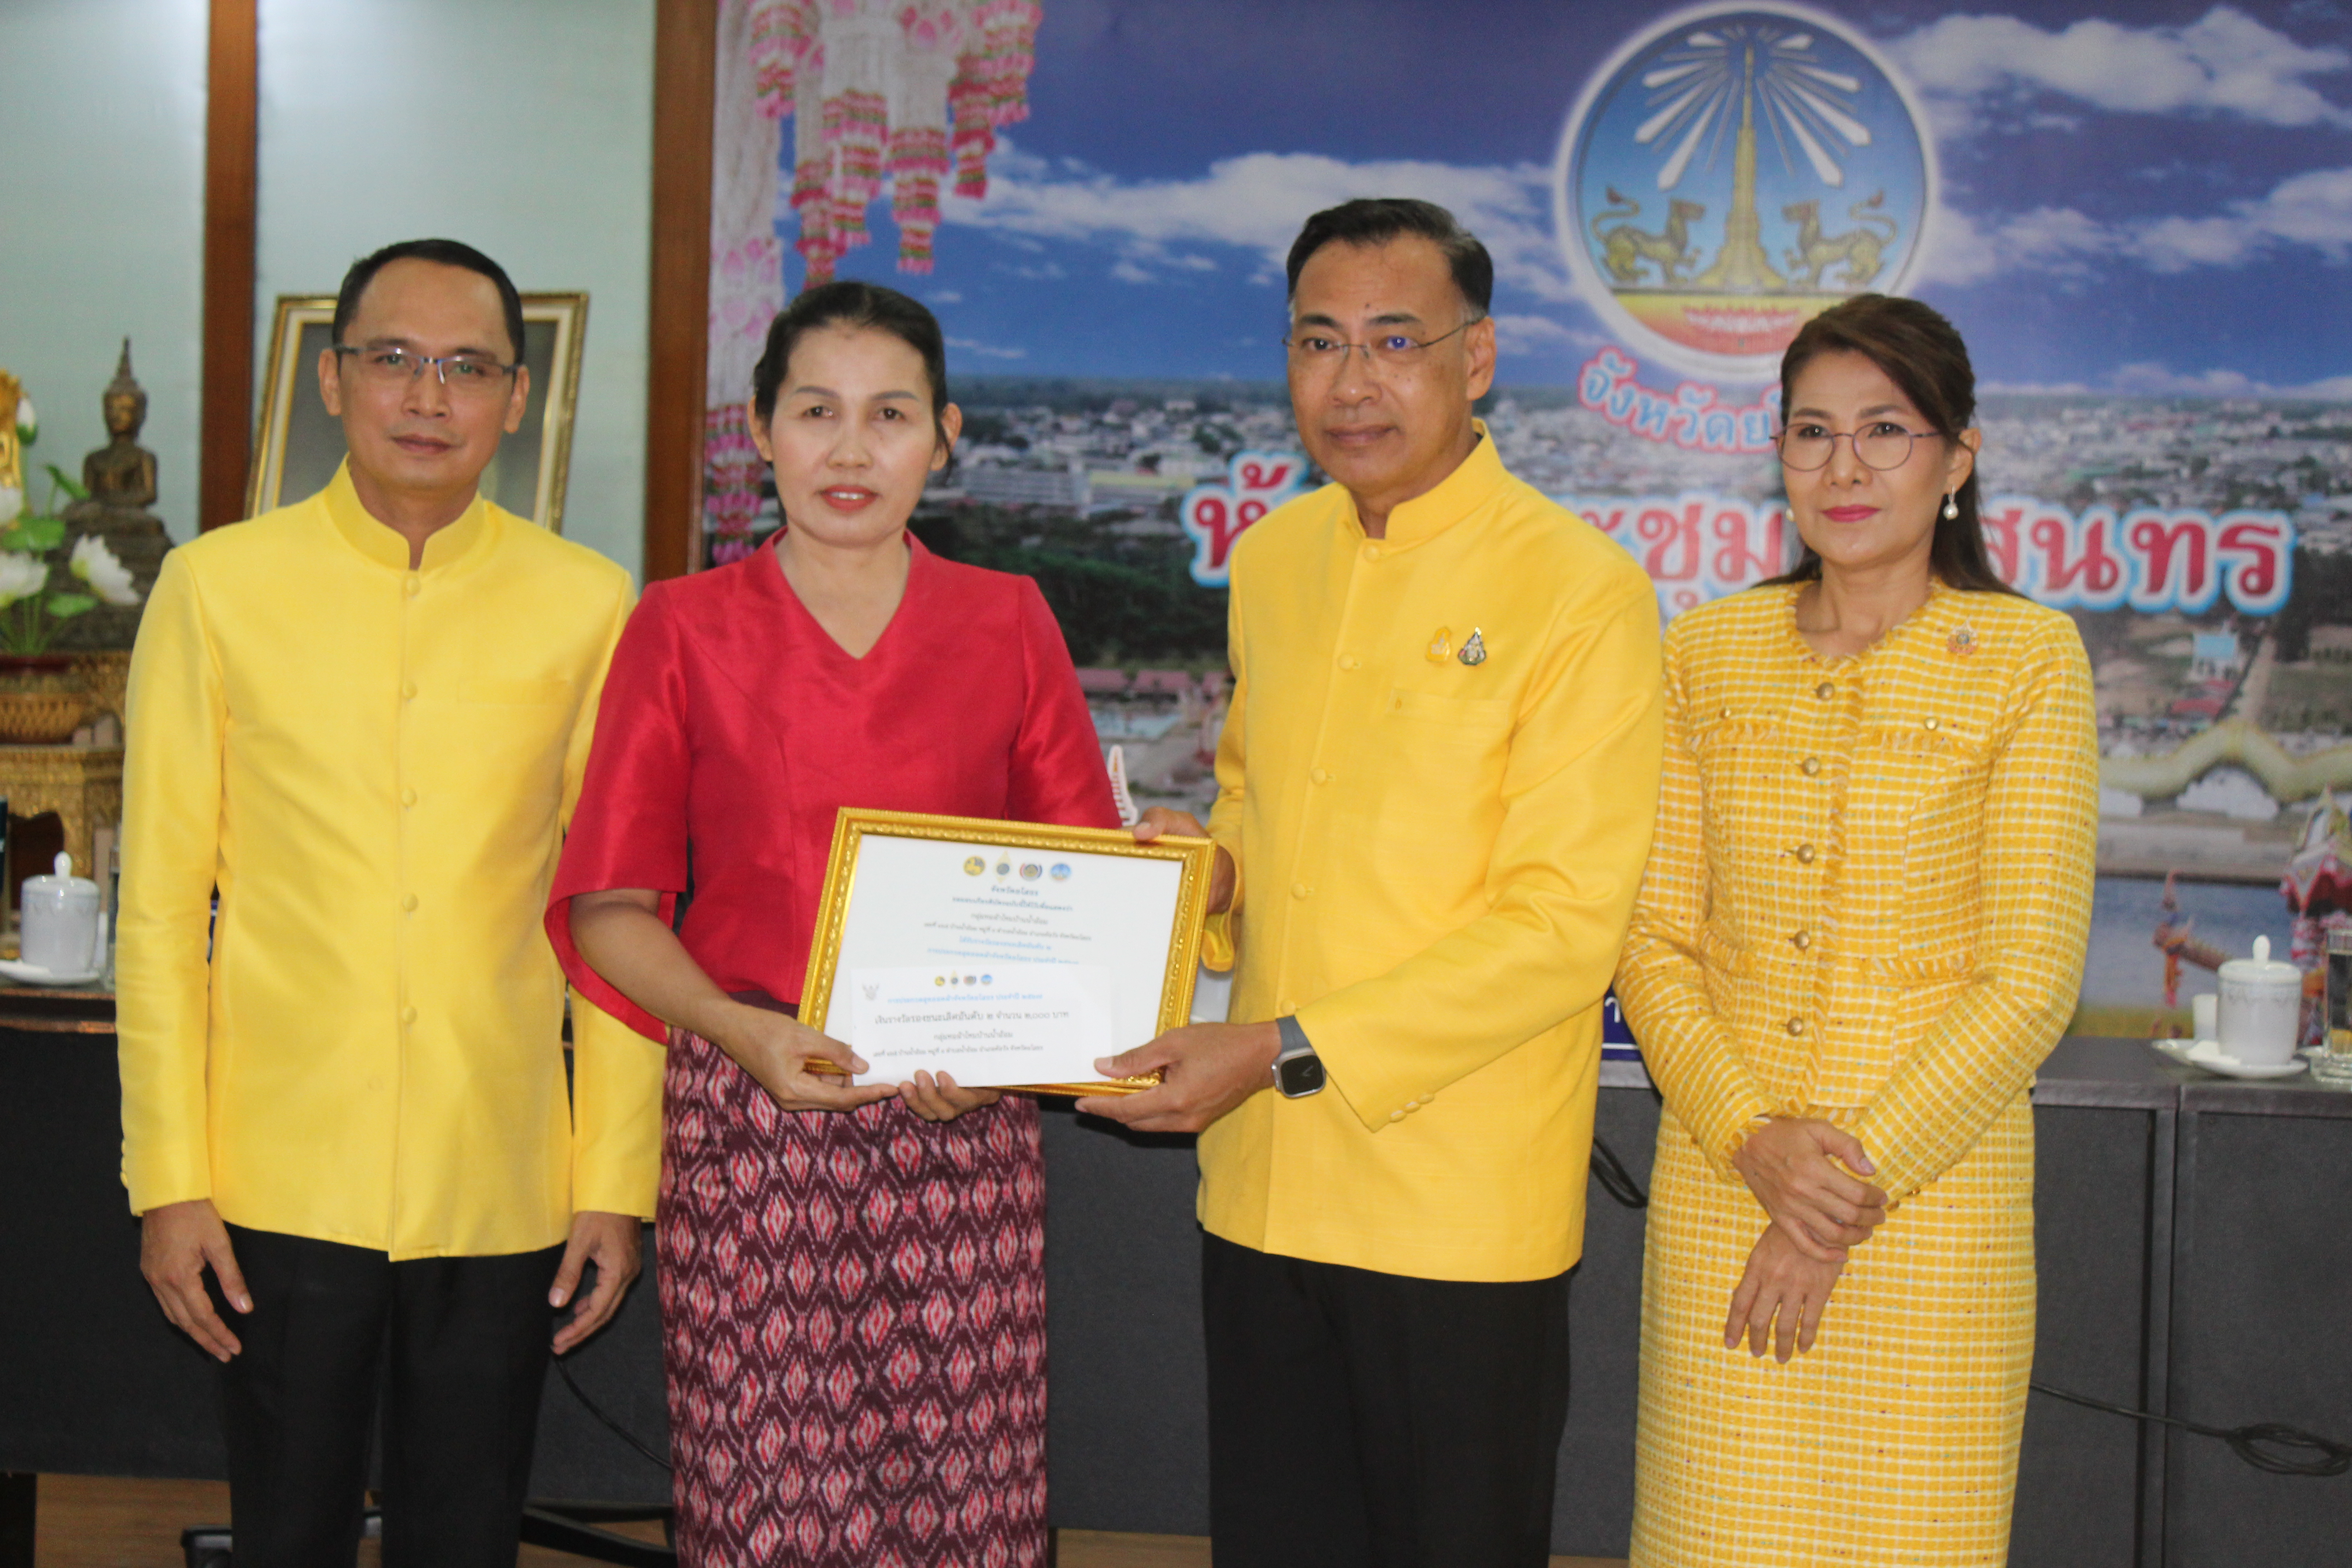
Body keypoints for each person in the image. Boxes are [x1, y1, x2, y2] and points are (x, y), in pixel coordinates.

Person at [1081, 199, 1666, 1566]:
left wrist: (1277, 1047)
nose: (1353, 383)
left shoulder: (1579, 589)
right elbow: (1260, 812)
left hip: (1453, 1204)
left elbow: (1563, 930)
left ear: (1478, 359)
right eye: (1320, 343)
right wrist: (1204, 874)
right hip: (1269, 1181)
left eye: (1396, 341)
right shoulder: (1277, 559)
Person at [549, 279, 1118, 1568]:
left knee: (963, 1515)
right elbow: (612, 909)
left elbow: (1085, 890)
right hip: (752, 1125)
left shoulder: (1008, 622)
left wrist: (997, 1058)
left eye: (890, 414)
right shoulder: (681, 628)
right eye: (816, 411)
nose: (851, 451)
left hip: (960, 1130)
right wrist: (732, 1033)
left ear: (946, 434)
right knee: (769, 1516)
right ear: (760, 427)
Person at [117, 238, 659, 1568]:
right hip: (277, 1170)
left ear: (516, 401)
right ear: (331, 377)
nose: (429, 397)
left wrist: (616, 1179)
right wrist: (168, 1183)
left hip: (503, 1170)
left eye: (468, 367)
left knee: (464, 1537)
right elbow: (160, 907)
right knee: (286, 1533)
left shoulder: (590, 606)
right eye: (395, 360)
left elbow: (621, 908)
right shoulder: (217, 589)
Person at [1612, 293, 2099, 1565]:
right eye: (1812, 432)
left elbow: (2032, 979)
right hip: (1725, 1188)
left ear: (1959, 457)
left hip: (1930, 1216)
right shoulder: (1706, 651)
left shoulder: (2031, 659)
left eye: (1887, 430)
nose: (1845, 467)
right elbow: (1655, 941)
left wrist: (1829, 1196)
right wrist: (1750, 1139)